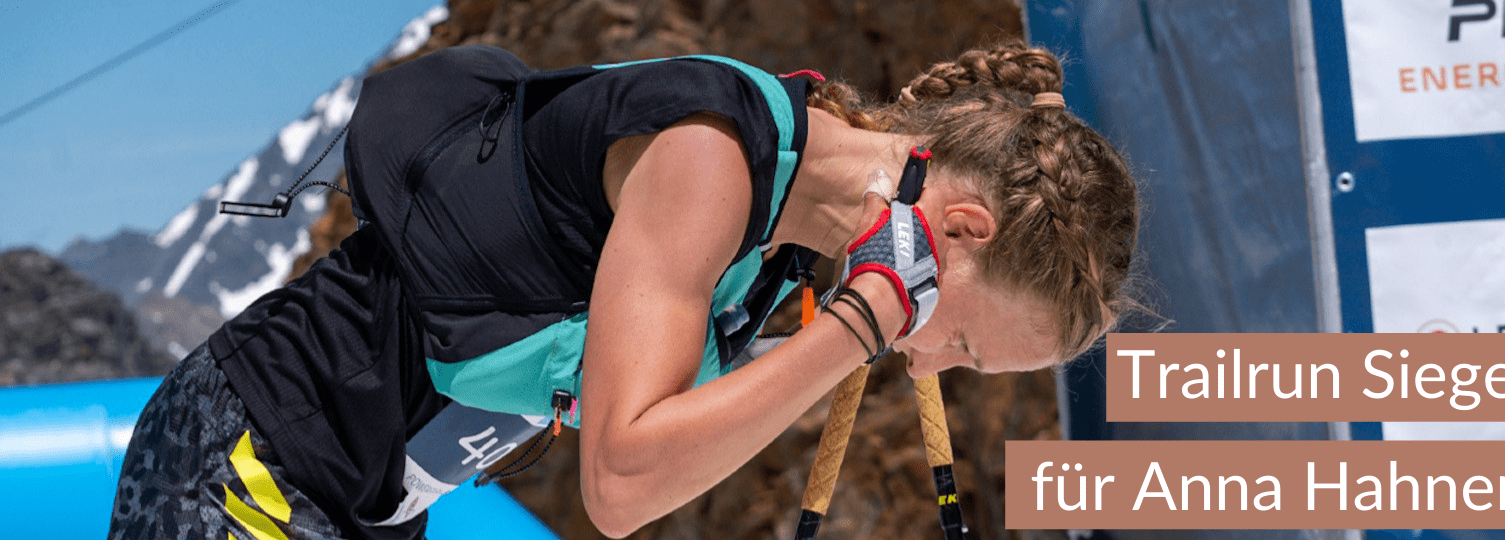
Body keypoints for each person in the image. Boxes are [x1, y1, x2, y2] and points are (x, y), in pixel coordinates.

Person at [108, 39, 1138, 540]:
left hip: (363, 504)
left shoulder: (782, 241)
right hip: (256, 453)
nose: (934, 366)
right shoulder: (709, 154)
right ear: (958, 230)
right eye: (964, 344)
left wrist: (825, 334)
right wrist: (857, 326)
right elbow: (620, 481)